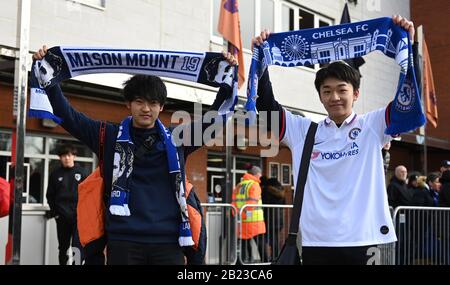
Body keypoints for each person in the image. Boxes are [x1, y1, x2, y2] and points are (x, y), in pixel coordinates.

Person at [34, 47, 236, 265]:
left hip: (168, 243)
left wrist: (227, 78)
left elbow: (215, 121)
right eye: (139, 101)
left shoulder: (178, 139)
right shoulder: (107, 136)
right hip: (123, 242)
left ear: (161, 106)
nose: (146, 109)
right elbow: (68, 116)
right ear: (128, 104)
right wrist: (49, 74)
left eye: (153, 103)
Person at [252, 15, 417, 265]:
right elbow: (266, 107)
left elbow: (408, 103)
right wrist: (261, 62)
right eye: (327, 91)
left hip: (367, 239)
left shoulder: (372, 125)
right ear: (320, 97)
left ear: (356, 93)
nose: (335, 97)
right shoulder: (304, 131)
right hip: (317, 242)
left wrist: (409, 48)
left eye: (342, 89)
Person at [46, 144, 88, 265]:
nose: (66, 158)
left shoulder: (82, 172)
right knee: (63, 247)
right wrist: (56, 214)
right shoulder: (55, 174)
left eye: (69, 155)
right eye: (63, 156)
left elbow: (89, 195)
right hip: (62, 217)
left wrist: (85, 214)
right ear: (60, 158)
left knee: (77, 247)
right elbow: (50, 195)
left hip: (78, 218)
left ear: (74, 156)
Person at [232, 165, 266, 264]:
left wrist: (238, 215)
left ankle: (244, 262)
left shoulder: (239, 185)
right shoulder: (254, 185)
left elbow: (233, 203)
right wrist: (246, 214)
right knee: (260, 244)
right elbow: (252, 203)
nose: (260, 177)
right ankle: (266, 262)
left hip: (241, 220)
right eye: (260, 175)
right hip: (254, 220)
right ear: (256, 174)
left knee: (244, 243)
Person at [261, 177, 285, 262]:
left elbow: (262, 202)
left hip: (269, 219)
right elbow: (284, 203)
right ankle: (276, 256)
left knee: (270, 239)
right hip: (279, 220)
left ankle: (275, 257)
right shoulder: (281, 191)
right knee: (274, 239)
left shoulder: (266, 191)